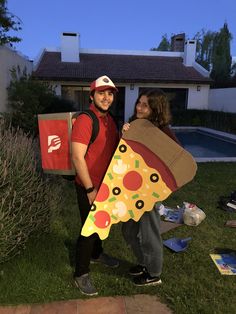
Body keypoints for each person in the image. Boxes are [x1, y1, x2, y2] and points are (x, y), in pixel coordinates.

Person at [122, 88, 181, 286]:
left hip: (149, 192)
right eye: (139, 103)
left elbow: (177, 159)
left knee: (149, 234)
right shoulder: (136, 125)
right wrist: (125, 135)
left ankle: (154, 273)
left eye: (145, 105)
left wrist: (161, 186)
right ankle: (144, 262)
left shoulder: (162, 131)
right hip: (131, 188)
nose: (139, 107)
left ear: (155, 109)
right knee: (128, 232)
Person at [71, 75, 120, 296]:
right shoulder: (86, 119)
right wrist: (91, 190)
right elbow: (77, 158)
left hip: (106, 185)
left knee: (102, 224)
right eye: (101, 93)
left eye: (110, 93)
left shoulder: (111, 120)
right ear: (92, 95)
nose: (106, 97)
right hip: (89, 186)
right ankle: (80, 273)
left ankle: (97, 255)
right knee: (89, 229)